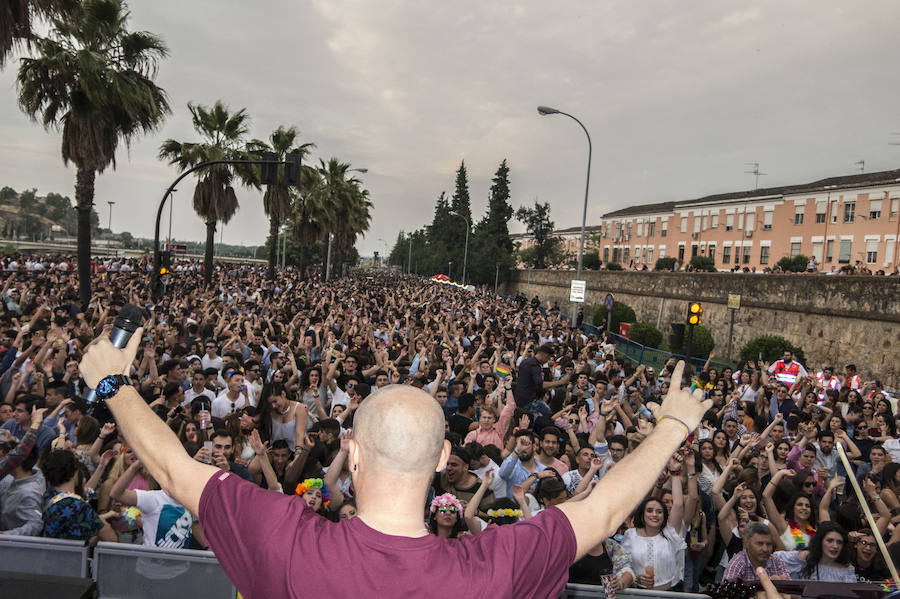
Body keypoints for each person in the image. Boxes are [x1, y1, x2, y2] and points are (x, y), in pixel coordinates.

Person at [79, 328, 711, 598]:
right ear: (443, 459)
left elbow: (173, 469)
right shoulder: (494, 566)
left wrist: (113, 385)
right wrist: (673, 426)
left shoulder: (283, 540)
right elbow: (604, 510)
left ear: (352, 454)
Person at [774, 522, 856, 582]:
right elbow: (773, 558)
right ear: (820, 541)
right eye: (830, 540)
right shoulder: (804, 558)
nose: (835, 546)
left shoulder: (847, 570)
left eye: (839, 542)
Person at [722, 521, 790, 582]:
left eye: (769, 544)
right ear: (747, 543)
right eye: (759, 544)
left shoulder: (777, 561)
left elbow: (791, 590)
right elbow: (727, 590)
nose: (765, 549)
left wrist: (780, 584)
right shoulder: (737, 563)